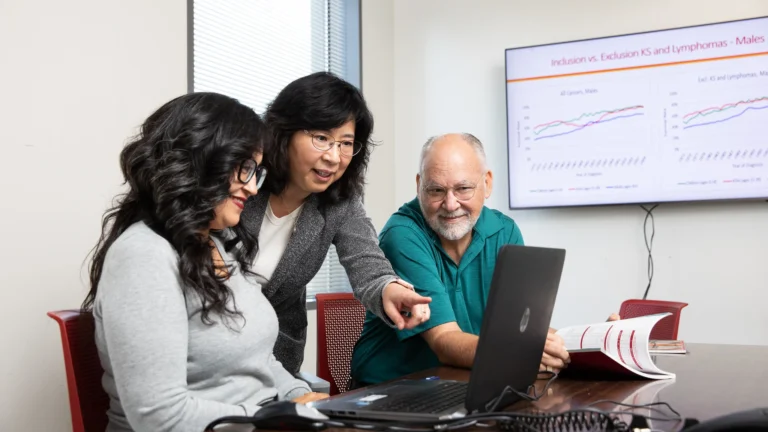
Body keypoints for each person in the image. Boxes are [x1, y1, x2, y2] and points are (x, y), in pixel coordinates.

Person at [82, 93, 327, 432]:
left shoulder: (221, 244)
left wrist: (303, 399)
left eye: (256, 172)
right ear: (200, 161)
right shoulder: (143, 255)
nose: (253, 188)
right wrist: (273, 418)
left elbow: (257, 359)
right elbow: (160, 417)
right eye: (244, 169)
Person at [350, 133, 619, 386]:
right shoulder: (402, 235)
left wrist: (592, 346)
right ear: (419, 186)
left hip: (465, 381)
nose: (451, 204)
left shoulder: (504, 231)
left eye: (463, 188)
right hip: (390, 391)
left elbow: (523, 331)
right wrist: (522, 352)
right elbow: (444, 340)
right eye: (436, 191)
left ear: (487, 183)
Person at [239, 72, 432, 375]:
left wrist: (390, 289)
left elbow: (367, 263)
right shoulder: (241, 180)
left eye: (346, 143)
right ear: (284, 133)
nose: (333, 157)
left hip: (275, 358)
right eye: (321, 138)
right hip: (207, 347)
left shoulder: (340, 202)